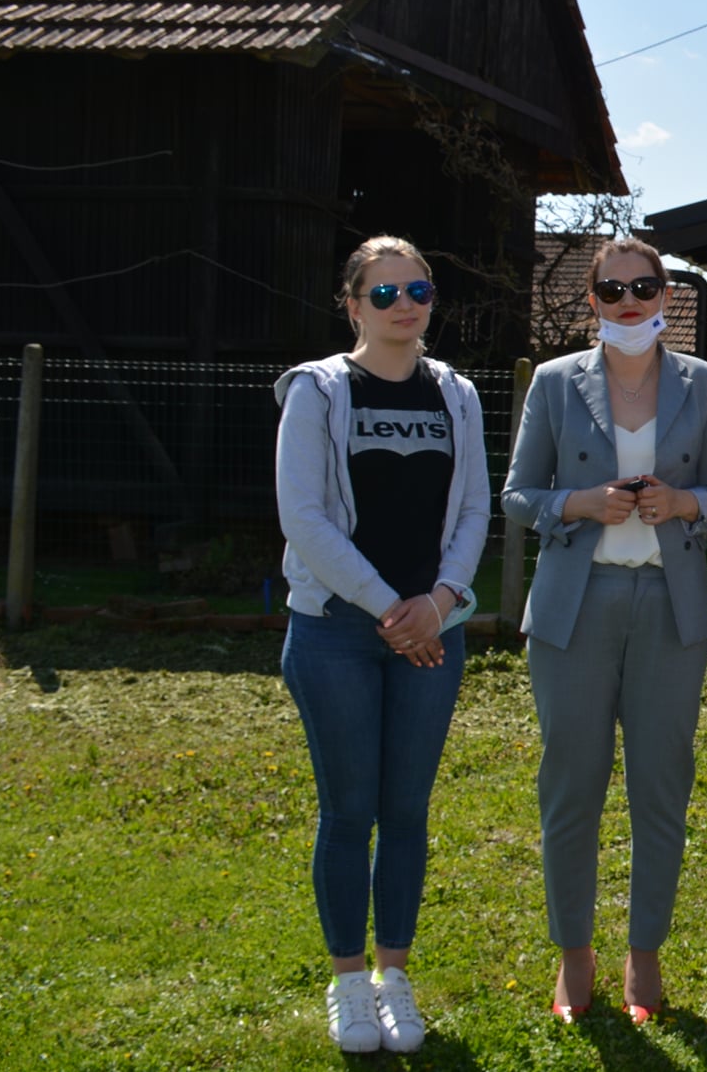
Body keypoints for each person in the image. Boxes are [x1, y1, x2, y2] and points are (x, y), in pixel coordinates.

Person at [500, 236, 707, 1025]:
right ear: (594, 297)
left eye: (645, 284)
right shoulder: (554, 382)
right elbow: (518, 493)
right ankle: (575, 954)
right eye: (613, 287)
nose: (629, 298)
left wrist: (685, 504)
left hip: (671, 608)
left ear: (666, 294)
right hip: (574, 606)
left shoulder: (701, 381)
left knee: (660, 786)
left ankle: (644, 954)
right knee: (570, 785)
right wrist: (578, 503)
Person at [275, 235, 489, 1054]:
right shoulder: (319, 390)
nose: (406, 304)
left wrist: (438, 603)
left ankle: (395, 977)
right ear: (353, 302)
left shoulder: (458, 393)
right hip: (336, 630)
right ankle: (348, 983)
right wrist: (388, 609)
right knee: (349, 811)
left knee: (406, 812)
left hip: (431, 633)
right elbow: (305, 516)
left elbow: (473, 509)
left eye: (420, 289)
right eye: (387, 291)